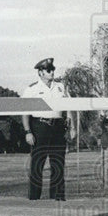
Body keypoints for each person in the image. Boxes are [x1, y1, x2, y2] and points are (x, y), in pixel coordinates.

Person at [22, 57, 76, 201]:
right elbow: (24, 112)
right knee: (37, 166)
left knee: (58, 165)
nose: (52, 72)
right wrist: (28, 132)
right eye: (48, 70)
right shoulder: (31, 89)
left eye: (53, 69)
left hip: (58, 127)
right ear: (40, 73)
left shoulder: (61, 87)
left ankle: (57, 199)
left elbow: (69, 108)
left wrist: (72, 127)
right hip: (39, 127)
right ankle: (34, 199)